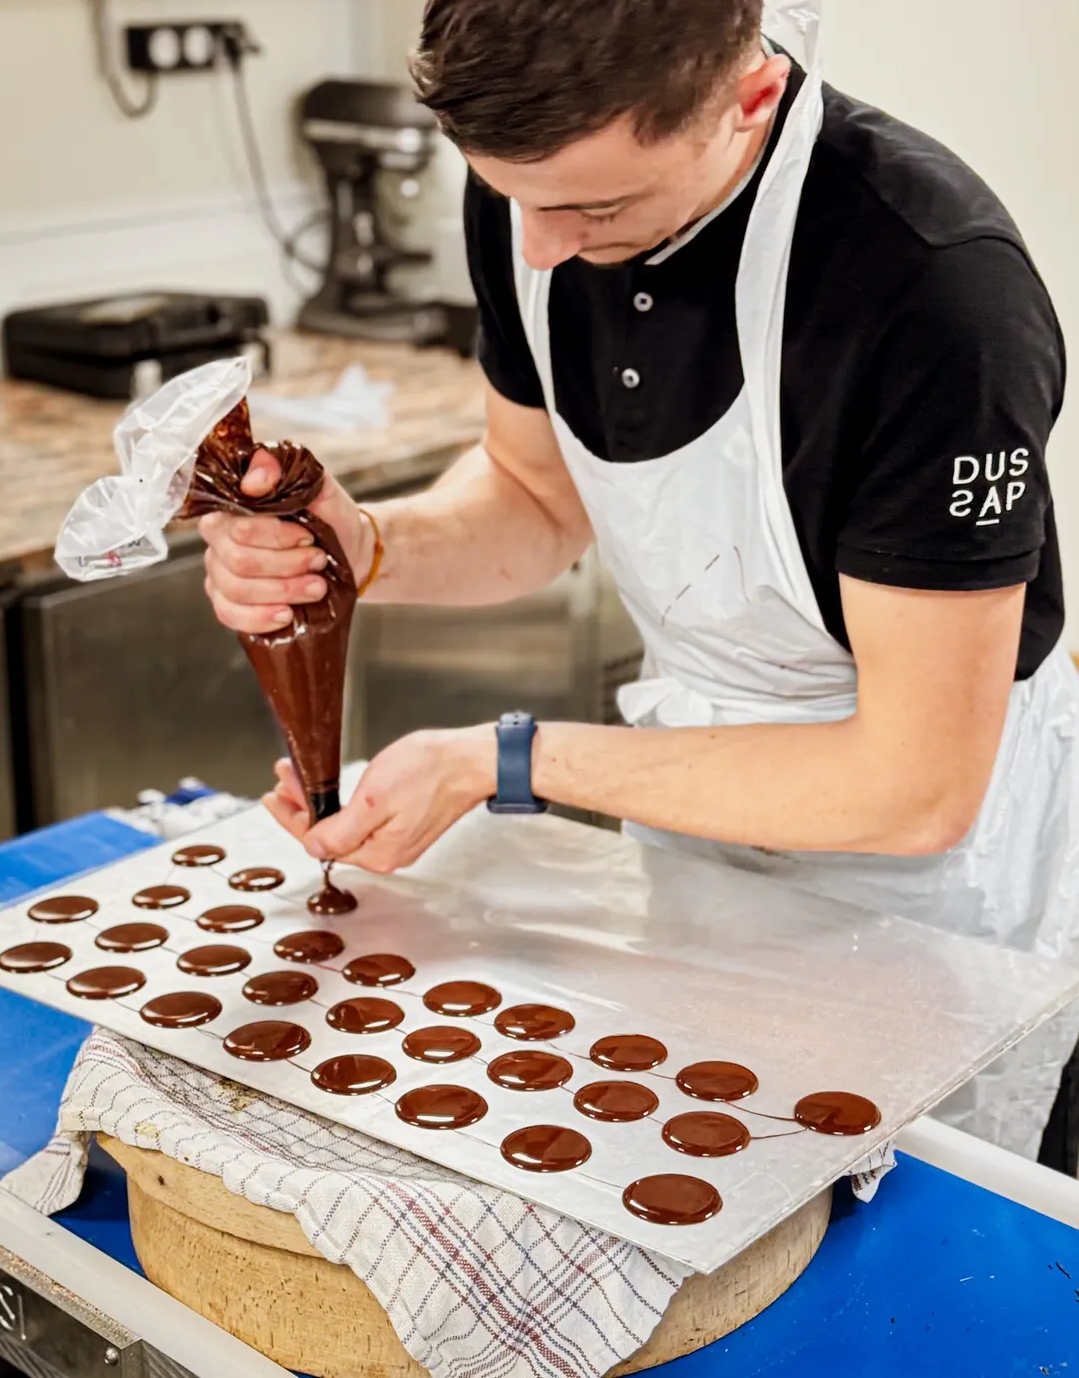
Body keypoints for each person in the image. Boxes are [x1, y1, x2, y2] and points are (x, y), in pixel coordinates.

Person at [199, 0, 1078, 1167]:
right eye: (511, 197)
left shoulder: (931, 293)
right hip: (688, 812)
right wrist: (359, 549)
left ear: (746, 98)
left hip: (930, 878)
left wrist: (496, 763)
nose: (537, 249)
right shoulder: (534, 180)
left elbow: (911, 784)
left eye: (592, 208)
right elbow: (532, 496)